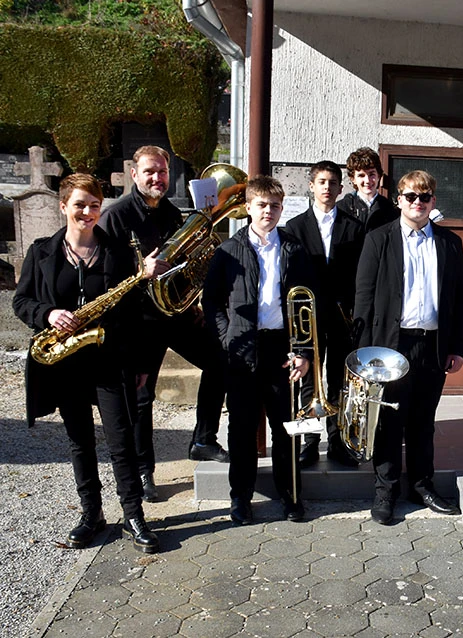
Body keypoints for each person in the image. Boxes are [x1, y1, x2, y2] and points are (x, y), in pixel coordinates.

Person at [13, 174, 159, 554]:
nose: (88, 212)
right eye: (79, 204)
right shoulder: (41, 252)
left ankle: (133, 515)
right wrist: (48, 314)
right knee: (80, 442)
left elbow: (136, 311)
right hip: (65, 362)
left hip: (109, 360)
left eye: (94, 205)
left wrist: (141, 360)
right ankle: (91, 513)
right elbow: (21, 301)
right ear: (63, 206)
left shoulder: (116, 252)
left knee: (121, 441)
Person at [100, 145, 228, 503]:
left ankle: (203, 439)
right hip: (140, 320)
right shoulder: (117, 217)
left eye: (162, 172)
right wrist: (140, 273)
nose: (157, 178)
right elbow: (108, 279)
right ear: (135, 175)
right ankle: (144, 472)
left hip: (177, 314)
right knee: (142, 398)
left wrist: (197, 297)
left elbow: (188, 264)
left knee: (221, 361)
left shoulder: (173, 213)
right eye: (150, 172)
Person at [354, 170, 463, 525]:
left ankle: (422, 485)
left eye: (424, 197)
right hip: (391, 348)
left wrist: (458, 347)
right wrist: (363, 356)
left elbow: (462, 300)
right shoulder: (379, 239)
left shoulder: (451, 243)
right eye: (410, 197)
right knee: (388, 422)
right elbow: (364, 299)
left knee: (422, 421)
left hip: (432, 346)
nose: (417, 203)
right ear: (398, 200)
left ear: (433, 201)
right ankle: (385, 490)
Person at [202, 175, 316, 525]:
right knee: (241, 428)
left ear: (282, 209)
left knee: (285, 427)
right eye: (262, 205)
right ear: (248, 208)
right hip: (242, 350)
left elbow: (306, 307)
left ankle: (290, 495)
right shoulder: (227, 250)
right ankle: (241, 498)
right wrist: (227, 337)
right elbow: (211, 302)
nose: (269, 211)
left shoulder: (294, 249)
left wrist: (304, 352)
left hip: (282, 348)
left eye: (275, 206)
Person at [285, 160, 364, 468]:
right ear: (311, 185)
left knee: (338, 380)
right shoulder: (294, 227)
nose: (327, 188)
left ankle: (337, 441)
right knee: (307, 379)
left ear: (341, 188)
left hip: (341, 316)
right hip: (307, 316)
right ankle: (309, 442)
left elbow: (359, 276)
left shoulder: (354, 227)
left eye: (333, 182)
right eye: (322, 182)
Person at [336, 147, 400, 233]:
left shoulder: (390, 210)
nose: (367, 181)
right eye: (361, 175)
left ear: (379, 176)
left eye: (371, 174)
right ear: (353, 179)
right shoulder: (341, 209)